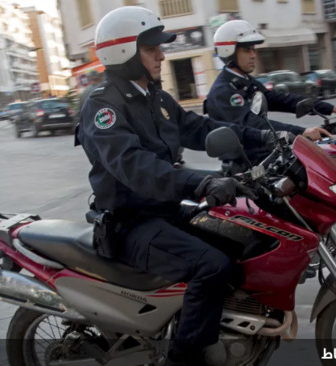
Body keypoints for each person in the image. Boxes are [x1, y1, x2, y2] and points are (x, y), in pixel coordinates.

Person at [76, 7, 276, 366]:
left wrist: (262, 137)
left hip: (165, 211)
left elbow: (200, 129)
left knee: (244, 239)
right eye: (152, 49)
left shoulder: (155, 96)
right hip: (130, 223)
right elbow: (136, 168)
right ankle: (184, 358)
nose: (161, 55)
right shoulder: (103, 105)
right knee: (211, 265)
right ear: (124, 52)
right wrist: (201, 182)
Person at [205, 19, 336, 165]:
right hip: (247, 167)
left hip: (267, 157)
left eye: (254, 49)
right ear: (229, 52)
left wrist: (332, 108)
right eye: (247, 50)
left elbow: (281, 99)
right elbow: (253, 124)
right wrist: (302, 132)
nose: (253, 55)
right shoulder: (222, 91)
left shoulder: (245, 81)